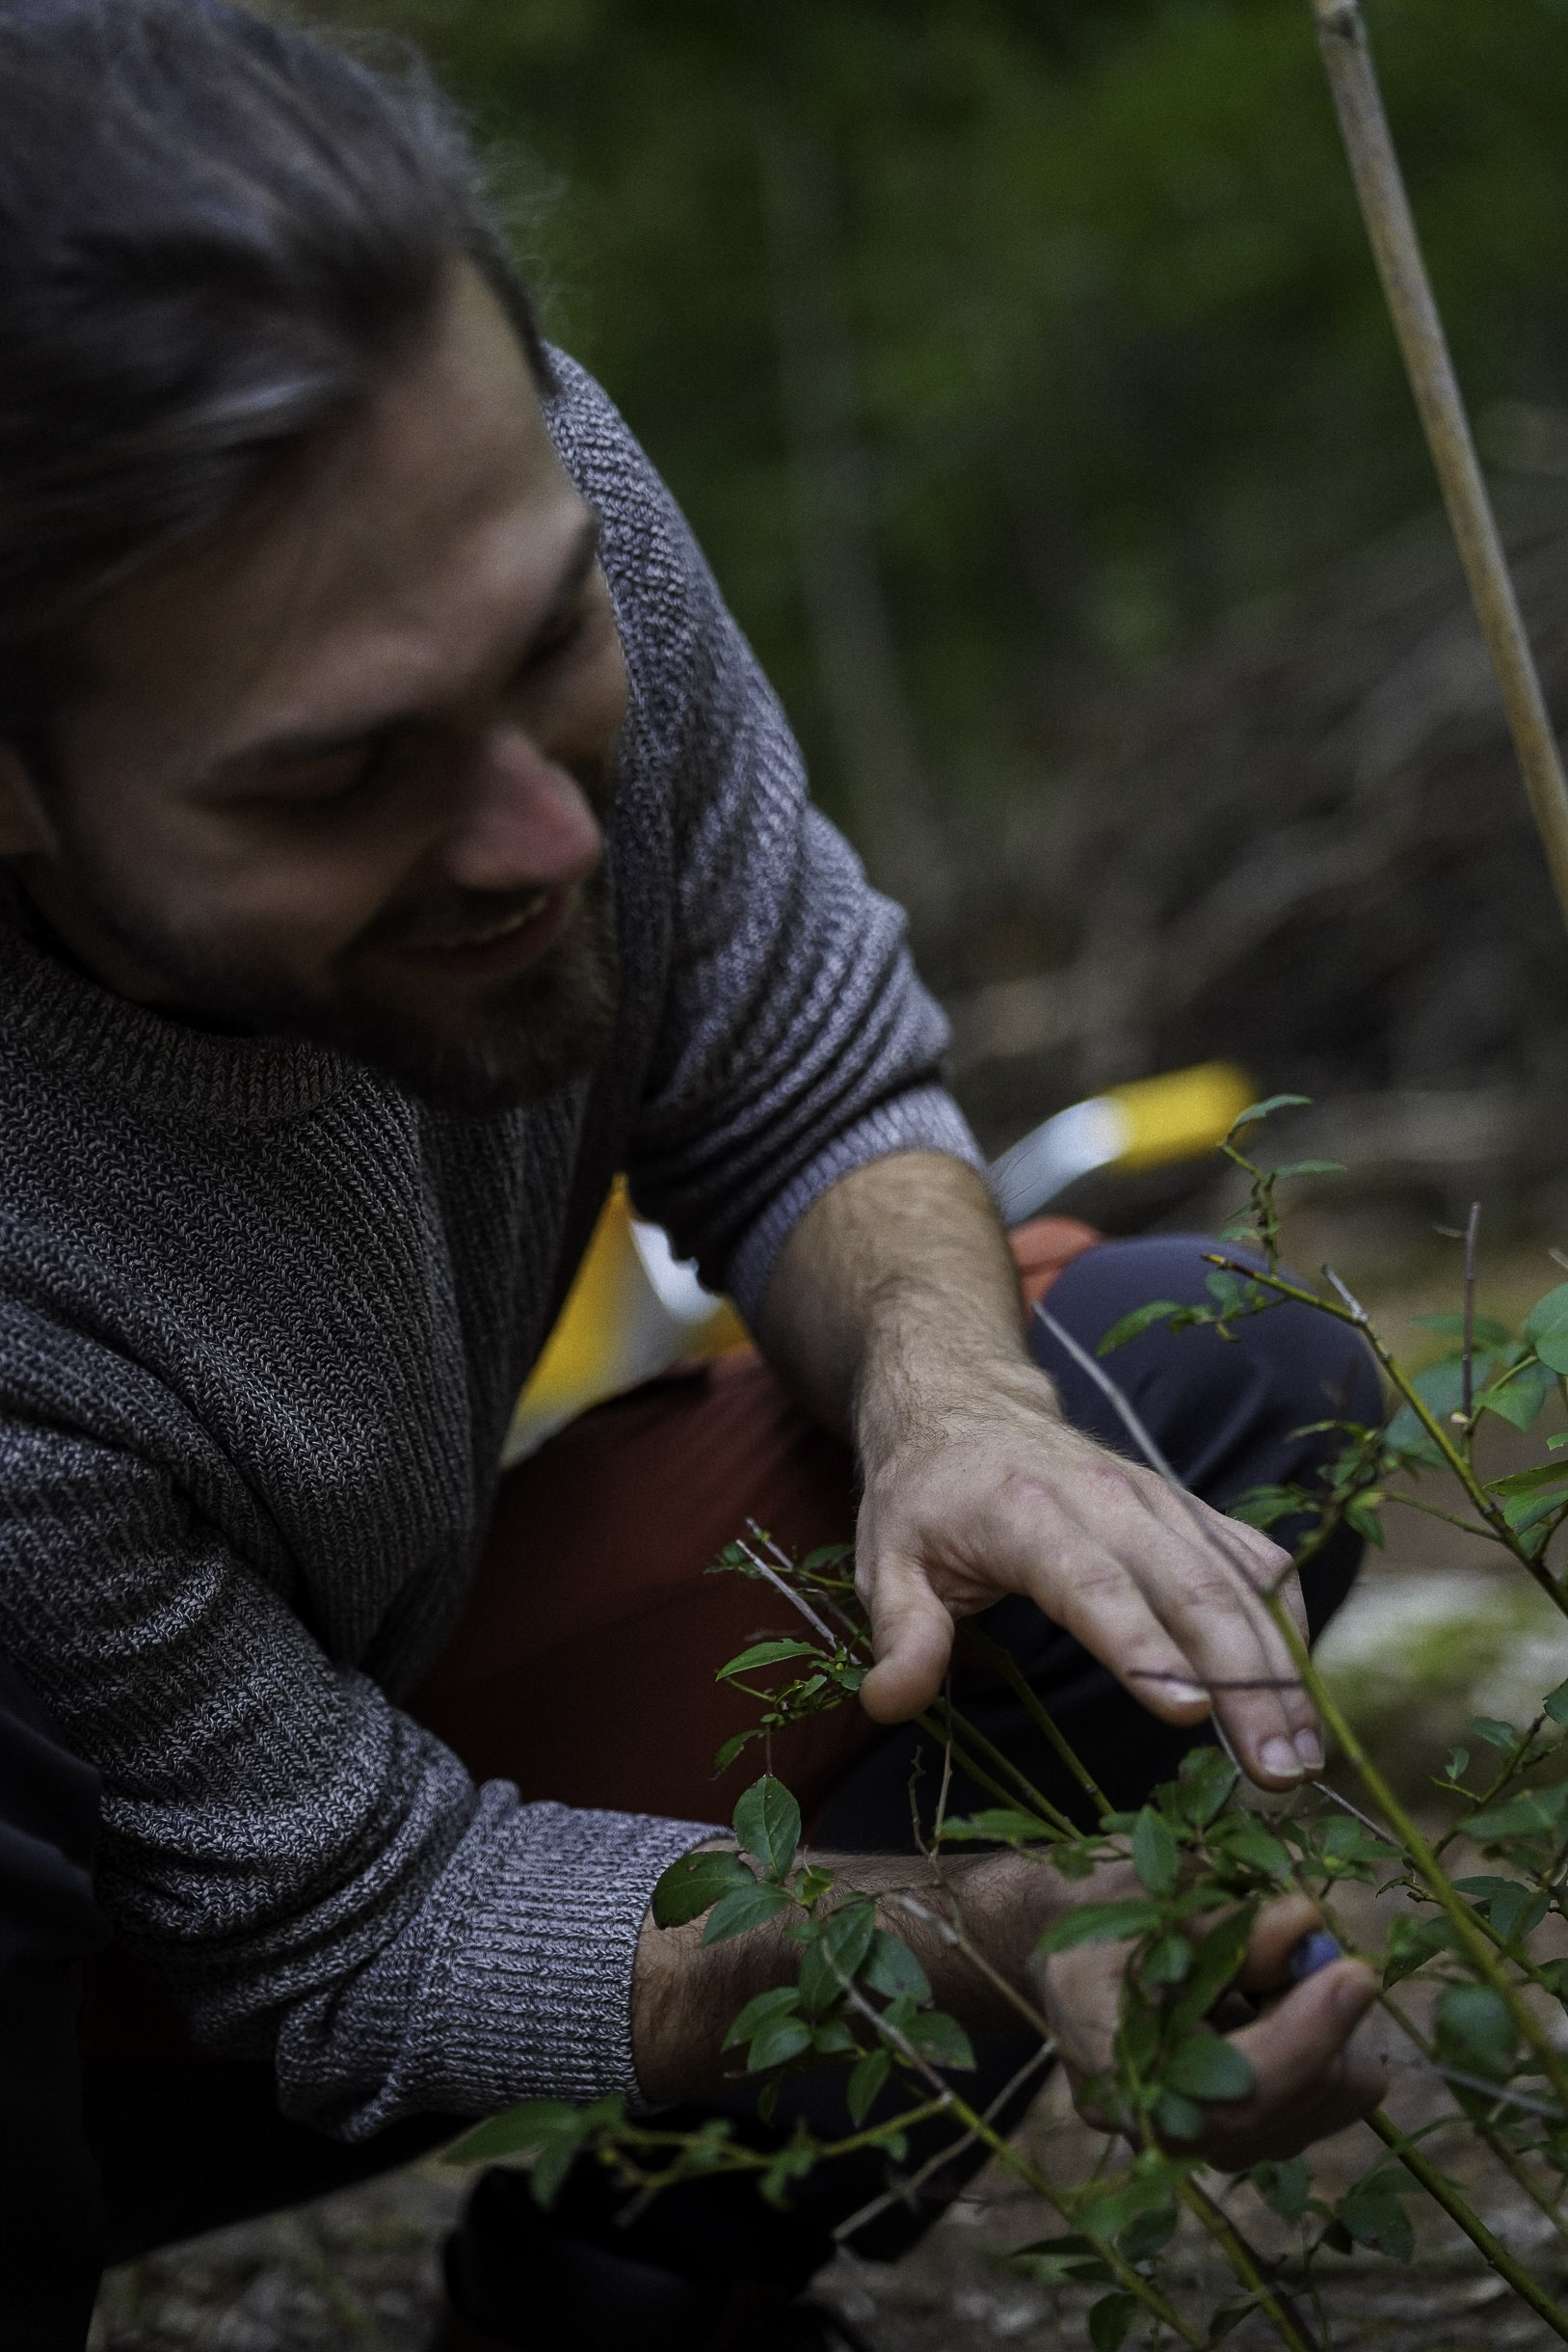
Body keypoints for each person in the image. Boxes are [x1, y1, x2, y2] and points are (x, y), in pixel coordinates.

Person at [0, 7, 1388, 2346]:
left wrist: (955, 1414)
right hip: (127, 1958)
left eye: (548, 647)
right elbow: (364, 1925)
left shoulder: (501, 484)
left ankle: (635, 2284)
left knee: (1180, 1391)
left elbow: (809, 1070)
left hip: (356, 1721)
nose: (545, 837)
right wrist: (993, 1941)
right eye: (343, 775)